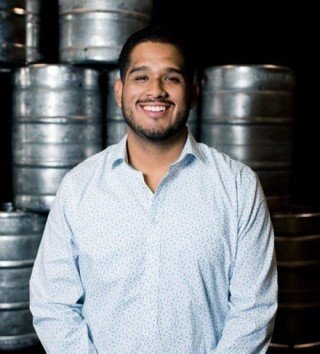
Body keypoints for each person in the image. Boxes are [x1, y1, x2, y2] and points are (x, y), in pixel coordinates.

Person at [30, 26, 277, 353]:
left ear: (193, 91)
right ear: (119, 91)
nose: (156, 91)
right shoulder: (79, 186)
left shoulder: (238, 185)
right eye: (141, 77)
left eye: (171, 78)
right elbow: (53, 303)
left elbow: (254, 310)